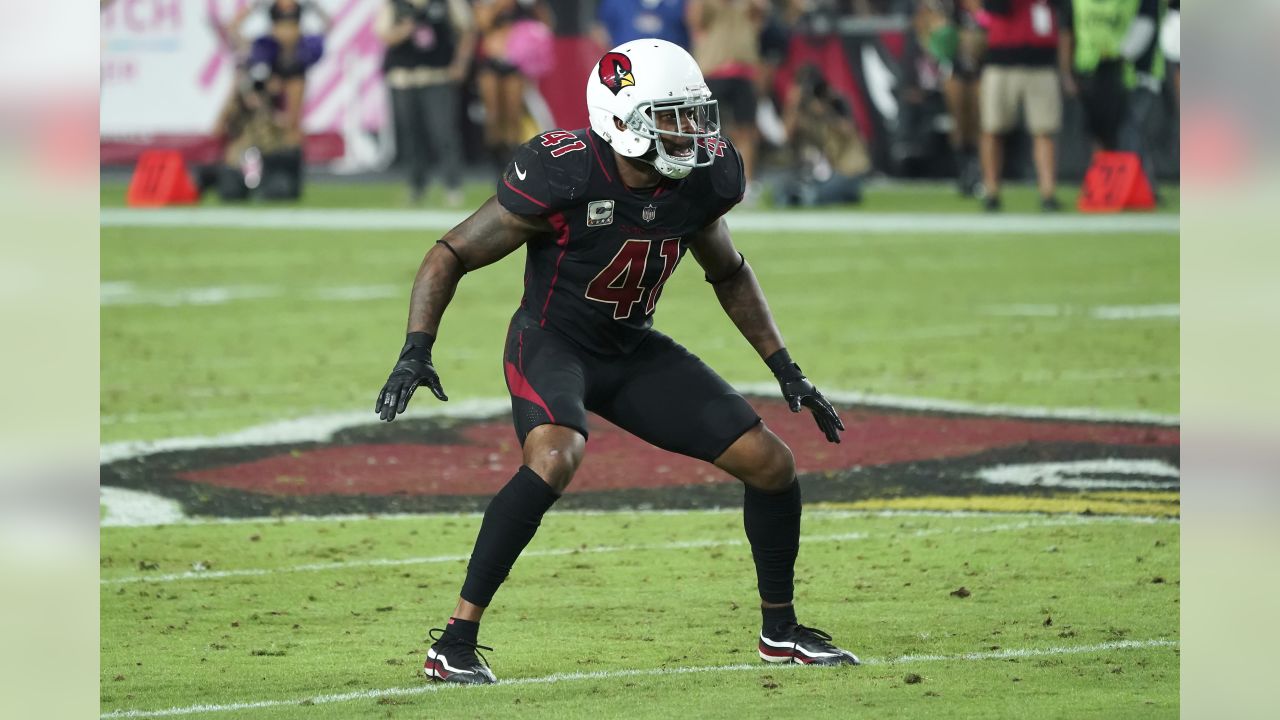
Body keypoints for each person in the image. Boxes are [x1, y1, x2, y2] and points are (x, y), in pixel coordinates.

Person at [375, 38, 859, 684]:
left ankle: (781, 630)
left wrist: (786, 368)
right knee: (554, 456)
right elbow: (451, 253)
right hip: (553, 343)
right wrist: (417, 348)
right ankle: (455, 641)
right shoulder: (566, 172)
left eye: (692, 114)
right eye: (671, 116)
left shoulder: (699, 180)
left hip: (631, 349)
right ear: (621, 120)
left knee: (771, 464)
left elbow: (730, 273)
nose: (690, 132)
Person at [377, 0, 476, 206]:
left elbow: (468, 30)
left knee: (444, 132)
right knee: (410, 136)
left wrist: (461, 63)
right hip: (404, 78)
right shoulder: (395, 5)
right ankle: (416, 187)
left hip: (437, 76)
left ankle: (453, 186)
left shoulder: (447, 3)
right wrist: (408, 27)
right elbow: (385, 36)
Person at [1059, 0, 1163, 195]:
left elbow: (1146, 25)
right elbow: (1068, 29)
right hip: (1091, 73)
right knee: (1098, 132)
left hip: (1132, 74)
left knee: (1129, 131)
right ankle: (1104, 187)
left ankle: (1139, 187)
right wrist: (1067, 72)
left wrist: (1122, 55)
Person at [976, 0, 1062, 212]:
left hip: (1041, 62)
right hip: (1002, 60)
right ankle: (991, 191)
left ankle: (1048, 192)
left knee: (1044, 129)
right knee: (992, 128)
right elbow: (994, 7)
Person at [686, 0, 767, 201]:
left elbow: (760, 14)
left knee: (746, 129)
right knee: (703, 129)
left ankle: (746, 186)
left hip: (744, 72)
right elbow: (695, 20)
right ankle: (704, 181)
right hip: (713, 70)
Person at [473, 0, 554, 174]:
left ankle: (512, 163)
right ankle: (496, 165)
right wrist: (500, 5)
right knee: (493, 116)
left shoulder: (524, 4)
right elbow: (482, 24)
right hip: (491, 61)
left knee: (513, 115)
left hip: (515, 62)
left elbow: (546, 25)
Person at [594, 0, 690, 50]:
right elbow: (600, 30)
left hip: (670, 63)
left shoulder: (682, 3)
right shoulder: (616, 2)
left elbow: (693, 31)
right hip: (627, 64)